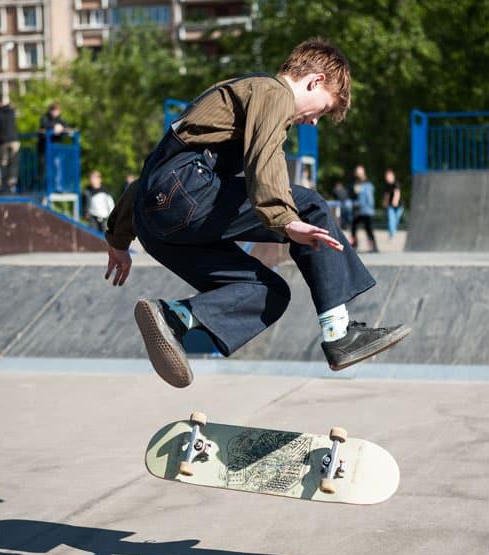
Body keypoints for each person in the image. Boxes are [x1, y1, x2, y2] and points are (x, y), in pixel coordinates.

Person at [103, 38, 410, 388]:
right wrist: (286, 219)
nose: (313, 122)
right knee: (310, 205)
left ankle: (174, 317)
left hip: (159, 225)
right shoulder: (273, 92)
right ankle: (338, 332)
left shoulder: (232, 99)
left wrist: (118, 237)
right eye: (322, 110)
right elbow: (264, 158)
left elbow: (152, 179)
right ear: (315, 81)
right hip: (188, 195)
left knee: (268, 292)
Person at [0, 94, 20, 194]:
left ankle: (5, 187)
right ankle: (12, 183)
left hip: (1, 143)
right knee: (14, 162)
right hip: (14, 141)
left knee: (3, 164)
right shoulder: (11, 111)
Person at [39, 102, 69, 192]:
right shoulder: (45, 118)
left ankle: (58, 187)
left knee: (58, 168)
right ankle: (45, 187)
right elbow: (44, 125)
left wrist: (62, 128)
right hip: (45, 149)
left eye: (57, 110)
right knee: (45, 169)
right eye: (53, 110)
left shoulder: (61, 120)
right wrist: (54, 127)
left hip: (56, 149)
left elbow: (66, 127)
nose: (55, 112)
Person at [351, 165, 378, 252]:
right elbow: (356, 196)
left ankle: (374, 247)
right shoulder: (357, 183)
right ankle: (355, 244)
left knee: (368, 229)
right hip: (359, 211)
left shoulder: (367, 184)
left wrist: (370, 207)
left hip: (366, 210)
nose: (358, 174)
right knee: (354, 227)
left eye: (360, 172)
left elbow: (369, 199)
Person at [382, 168, 403, 239]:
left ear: (393, 176)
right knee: (391, 219)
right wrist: (385, 202)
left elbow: (397, 193)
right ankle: (391, 234)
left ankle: (393, 231)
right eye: (387, 177)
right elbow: (386, 195)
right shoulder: (387, 185)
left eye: (389, 176)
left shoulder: (396, 183)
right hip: (390, 206)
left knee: (396, 220)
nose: (388, 178)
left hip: (399, 205)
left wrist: (395, 201)